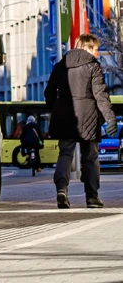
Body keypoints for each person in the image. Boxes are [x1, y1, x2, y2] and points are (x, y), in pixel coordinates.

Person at [45, 33, 118, 209]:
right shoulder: (94, 67)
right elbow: (100, 95)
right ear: (86, 48)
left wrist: (56, 108)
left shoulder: (61, 65)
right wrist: (110, 118)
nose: (97, 53)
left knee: (65, 154)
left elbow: (48, 93)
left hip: (65, 117)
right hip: (89, 116)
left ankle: (61, 189)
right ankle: (92, 197)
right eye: (95, 49)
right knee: (91, 157)